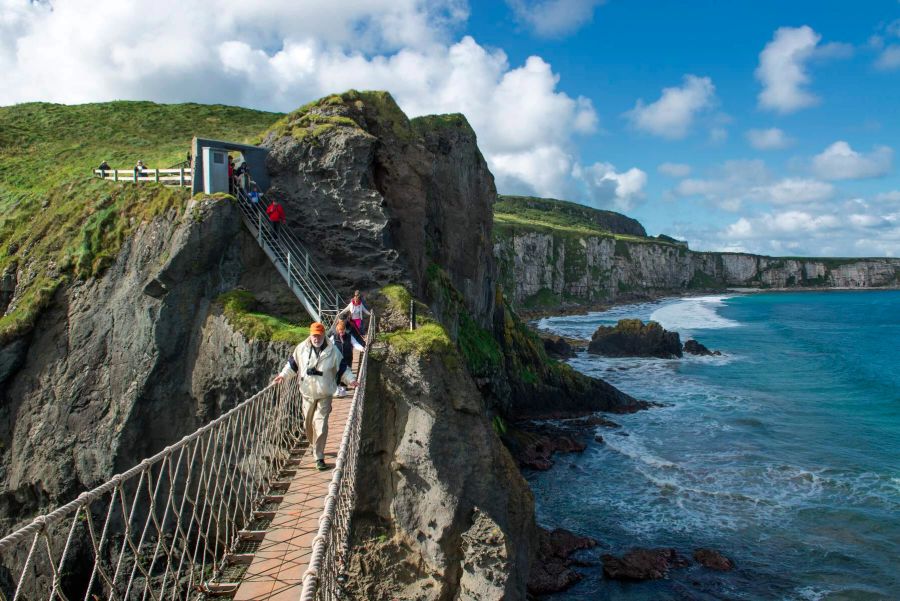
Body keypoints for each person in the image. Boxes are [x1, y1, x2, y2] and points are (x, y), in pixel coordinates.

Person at [273, 322, 357, 471]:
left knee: (321, 424)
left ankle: (319, 457)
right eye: (314, 335)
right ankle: (314, 446)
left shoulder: (333, 351)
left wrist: (351, 380)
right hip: (307, 394)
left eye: (318, 335)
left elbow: (343, 367)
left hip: (325, 393)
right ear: (310, 335)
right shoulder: (301, 349)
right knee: (308, 424)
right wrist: (282, 376)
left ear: (324, 335)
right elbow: (292, 365)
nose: (316, 338)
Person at [331, 319, 365, 396]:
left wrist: (361, 348)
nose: (341, 333)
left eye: (342, 331)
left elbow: (355, 344)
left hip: (347, 358)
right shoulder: (334, 338)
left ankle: (343, 389)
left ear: (345, 329)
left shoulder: (349, 337)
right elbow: (328, 346)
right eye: (339, 331)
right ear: (337, 330)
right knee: (337, 374)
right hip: (337, 359)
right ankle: (337, 389)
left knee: (347, 372)